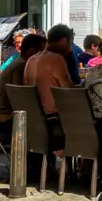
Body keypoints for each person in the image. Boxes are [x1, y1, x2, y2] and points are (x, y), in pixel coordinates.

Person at [22, 23, 75, 165]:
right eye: (71, 43)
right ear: (64, 41)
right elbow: (69, 91)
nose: (71, 49)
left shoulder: (31, 60)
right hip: (55, 121)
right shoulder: (56, 59)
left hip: (35, 121)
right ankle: (96, 169)